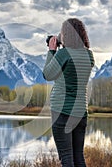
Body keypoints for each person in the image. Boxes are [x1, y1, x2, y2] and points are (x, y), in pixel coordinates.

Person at [42, 18, 95, 167]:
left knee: (66, 158)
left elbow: (48, 74)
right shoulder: (89, 56)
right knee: (79, 157)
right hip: (80, 112)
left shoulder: (63, 54)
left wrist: (52, 51)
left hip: (62, 111)